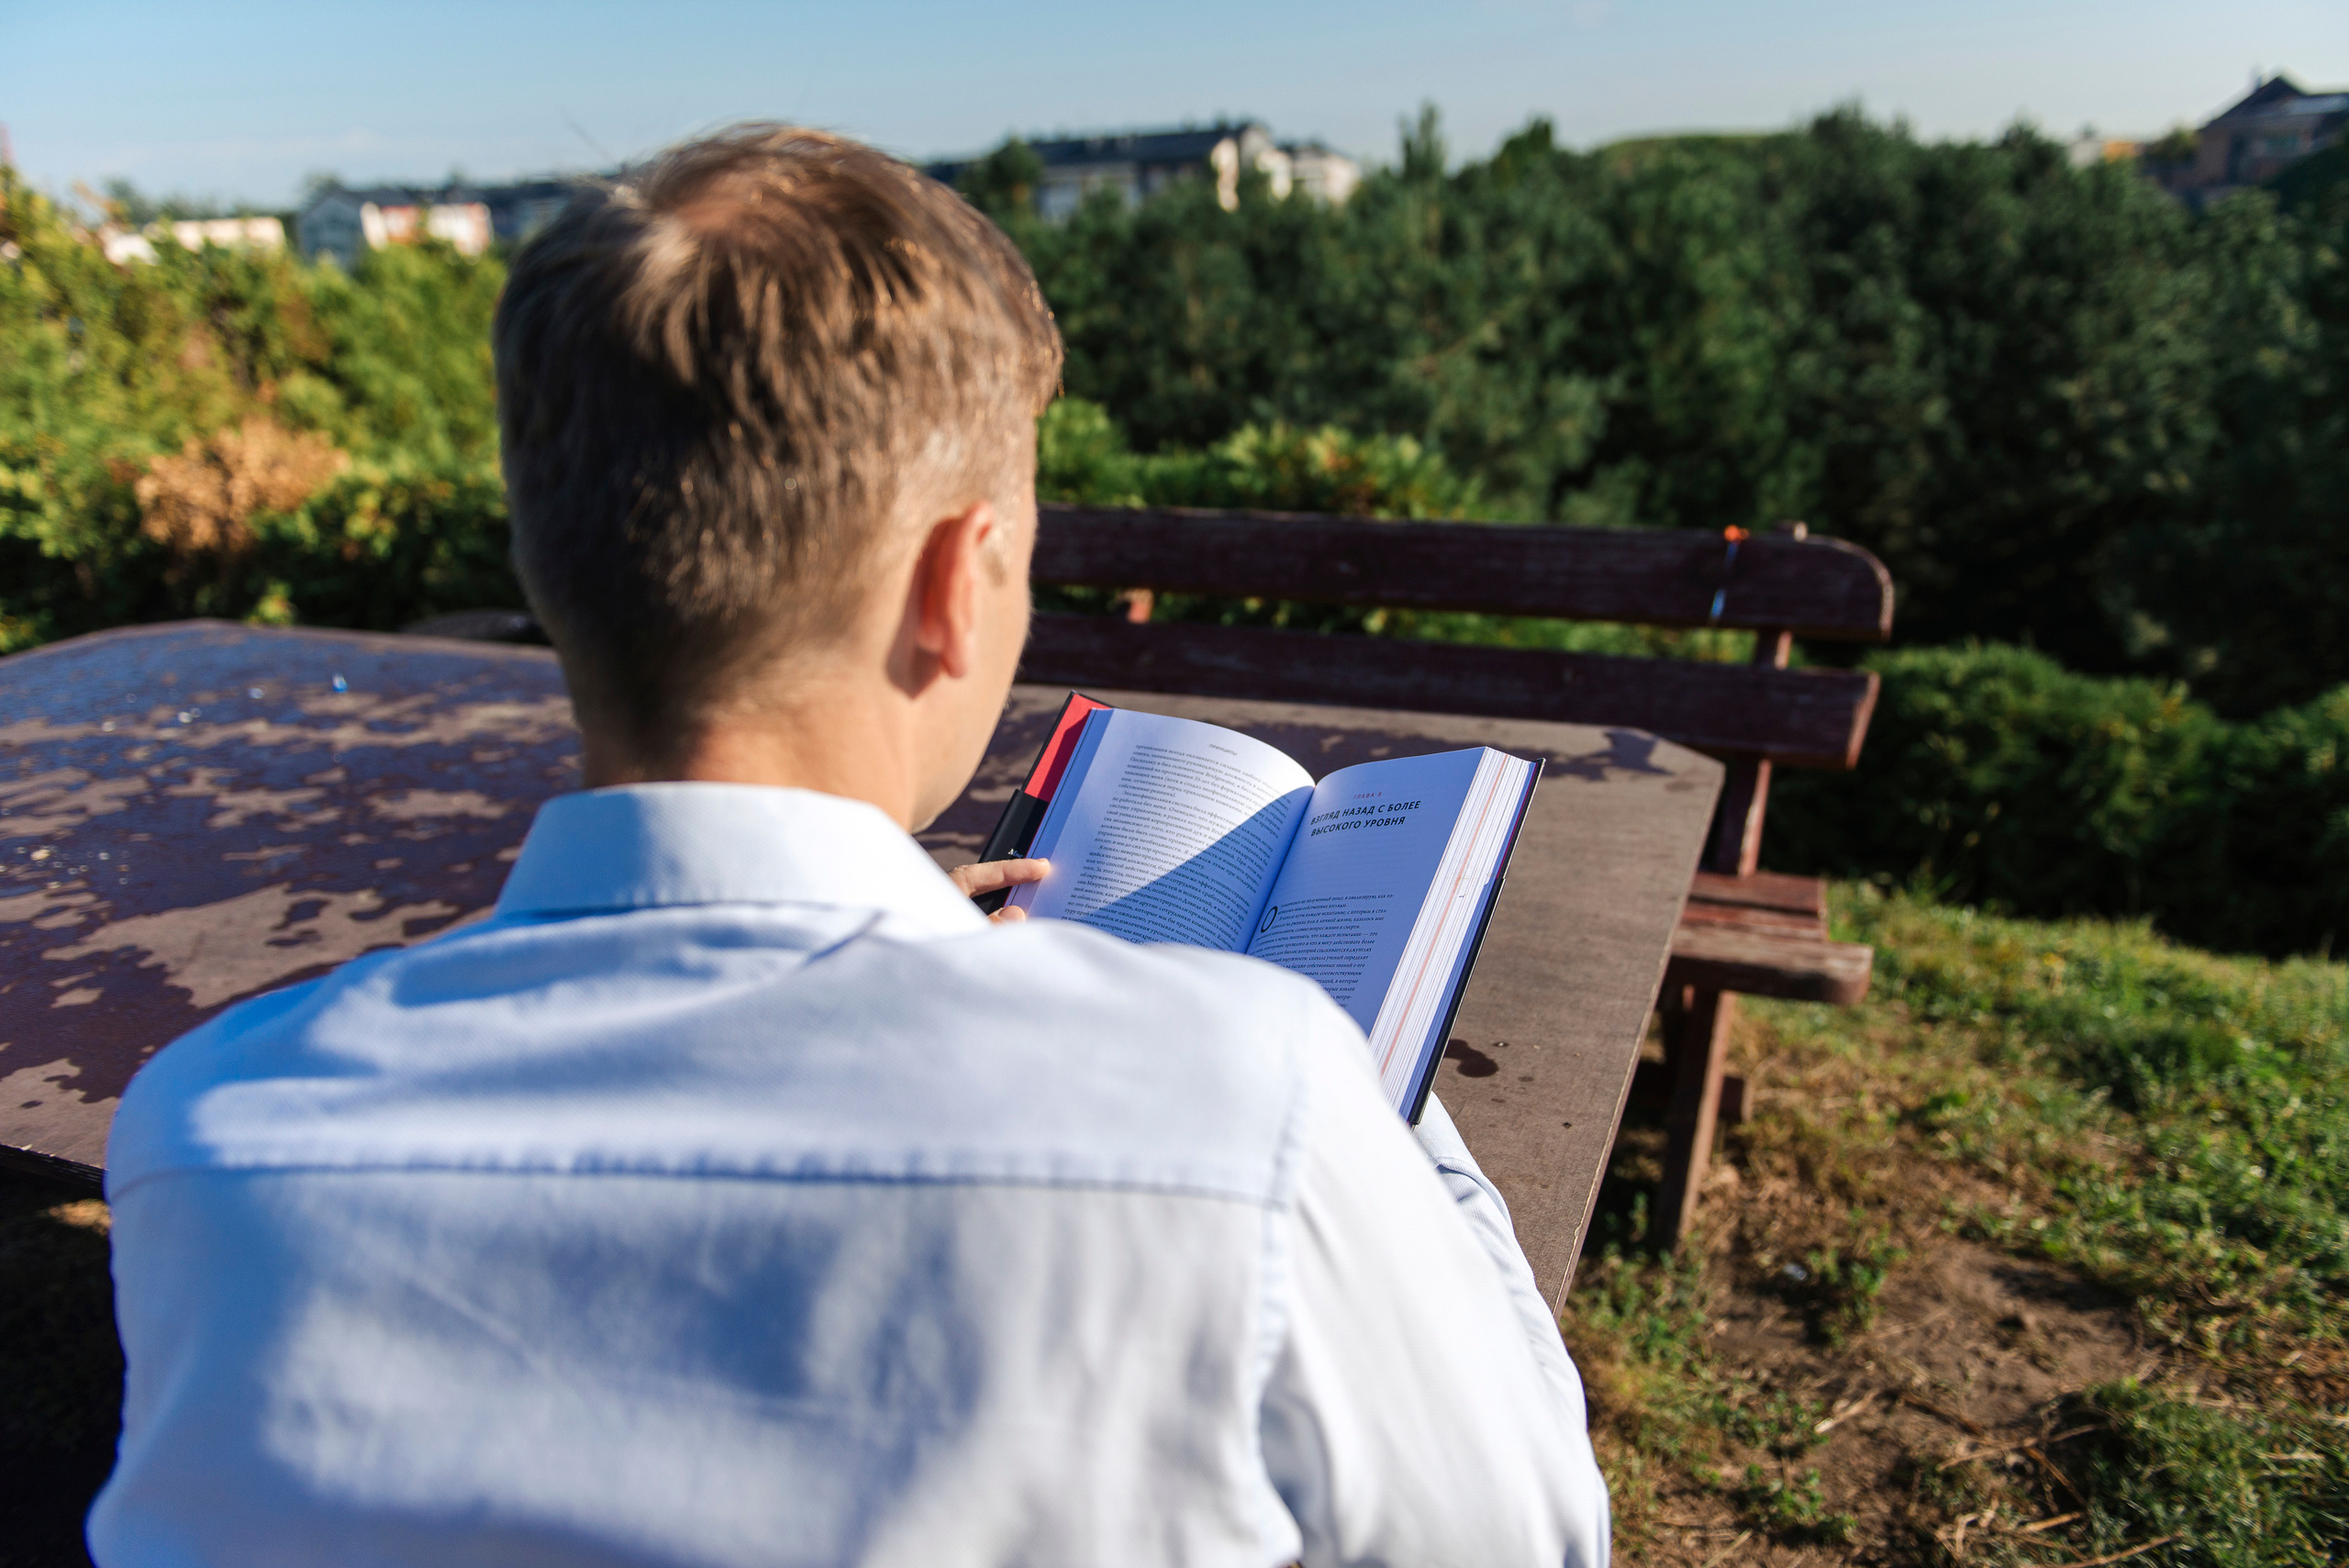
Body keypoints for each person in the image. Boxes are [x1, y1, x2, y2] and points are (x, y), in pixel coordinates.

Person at [90, 126, 1609, 1567]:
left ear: (552, 564)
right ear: (960, 581)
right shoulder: (1252, 1105)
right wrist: (1373, 1087)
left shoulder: (209, 1139)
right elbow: (1530, 1536)